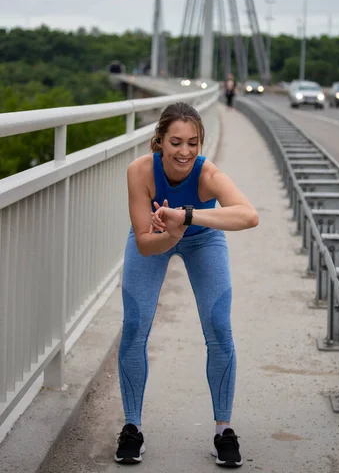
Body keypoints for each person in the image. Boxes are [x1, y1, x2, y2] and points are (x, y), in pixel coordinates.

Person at [115, 101, 259, 467]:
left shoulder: (206, 173)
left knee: (218, 327)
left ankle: (223, 429)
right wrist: (172, 233)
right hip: (158, 237)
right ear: (159, 140)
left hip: (203, 237)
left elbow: (249, 215)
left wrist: (188, 216)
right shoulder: (140, 172)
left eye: (193, 143)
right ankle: (132, 426)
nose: (185, 151)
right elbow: (146, 244)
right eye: (176, 142)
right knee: (134, 325)